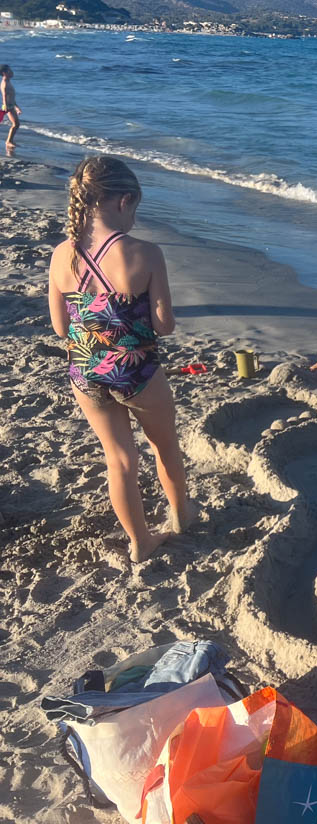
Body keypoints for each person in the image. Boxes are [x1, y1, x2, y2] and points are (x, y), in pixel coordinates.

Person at [47, 156, 195, 562]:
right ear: (124, 200)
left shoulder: (61, 254)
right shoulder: (145, 253)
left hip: (84, 371)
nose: (134, 218)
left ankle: (139, 541)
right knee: (164, 446)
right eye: (135, 209)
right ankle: (181, 516)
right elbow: (165, 326)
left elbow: (60, 327)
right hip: (136, 371)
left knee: (120, 460)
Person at [1, 64, 19, 149]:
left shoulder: (8, 81)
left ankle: (10, 140)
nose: (12, 72)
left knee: (16, 124)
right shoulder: (4, 83)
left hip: (11, 106)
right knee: (15, 124)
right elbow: (4, 96)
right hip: (8, 107)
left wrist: (17, 107)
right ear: (4, 73)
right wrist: (5, 106)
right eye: (9, 71)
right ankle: (8, 141)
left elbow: (11, 97)